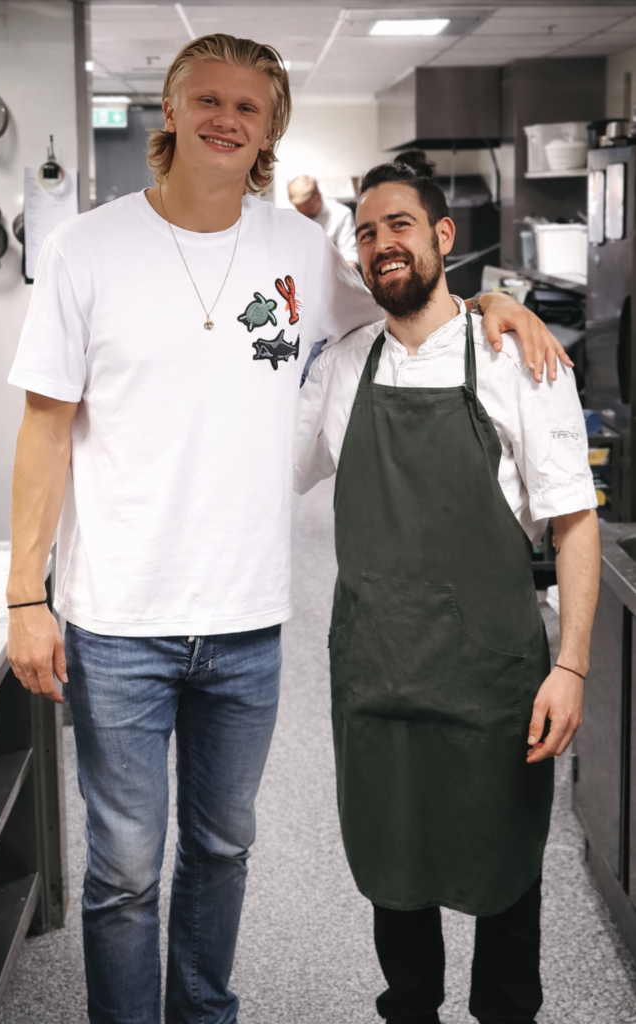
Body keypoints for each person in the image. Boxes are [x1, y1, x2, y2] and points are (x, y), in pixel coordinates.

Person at [5, 33, 570, 1024]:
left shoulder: (301, 251)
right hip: (117, 614)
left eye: (249, 106)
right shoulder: (82, 248)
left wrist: (494, 300)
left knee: (224, 852)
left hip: (247, 621)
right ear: (168, 114)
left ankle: (204, 1013)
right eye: (205, 98)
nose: (227, 117)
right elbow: (43, 430)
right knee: (127, 867)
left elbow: (411, 299)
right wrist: (25, 595)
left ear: (268, 131)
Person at [294, 153, 601, 1024]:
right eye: (364, 233)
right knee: (396, 872)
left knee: (505, 871)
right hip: (379, 672)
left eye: (398, 226)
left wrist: (570, 666)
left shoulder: (516, 355)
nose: (381, 244)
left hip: (491, 676)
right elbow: (267, 463)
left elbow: (573, 519)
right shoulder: (344, 367)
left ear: (440, 236)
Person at [288, 174, 359, 268]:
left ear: (317, 195)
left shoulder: (341, 214)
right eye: (300, 212)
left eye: (307, 211)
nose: (304, 216)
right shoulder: (291, 217)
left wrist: (347, 280)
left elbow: (350, 256)